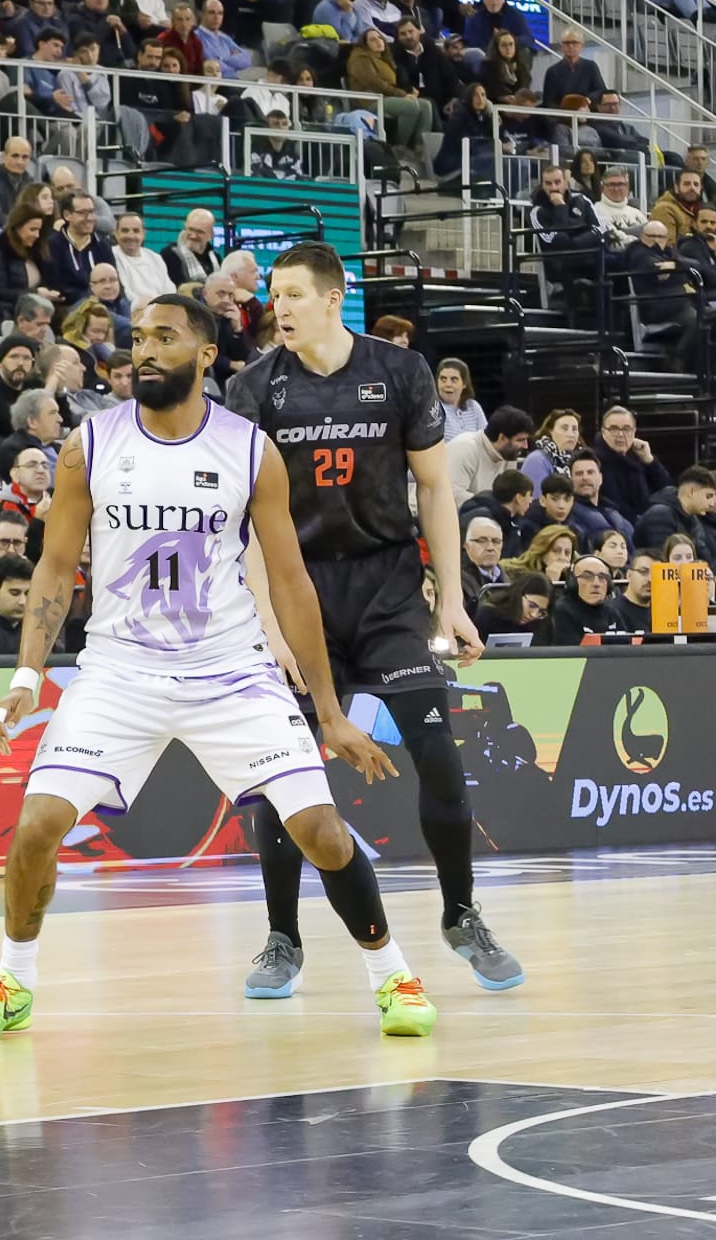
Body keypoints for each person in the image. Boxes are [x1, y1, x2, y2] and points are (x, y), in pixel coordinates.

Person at [0, 292, 434, 1041]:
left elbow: (290, 581)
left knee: (322, 832)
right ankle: (13, 979)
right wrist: (25, 676)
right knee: (37, 825)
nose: (143, 350)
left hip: (230, 670)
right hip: (118, 672)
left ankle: (392, 973)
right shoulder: (89, 444)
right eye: (138, 337)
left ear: (206, 356)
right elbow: (52, 570)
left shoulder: (249, 449)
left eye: (164, 338)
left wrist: (331, 713)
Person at [225, 242, 520, 997]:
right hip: (299, 592)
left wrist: (449, 599)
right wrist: (265, 619)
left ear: (333, 297)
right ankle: (281, 939)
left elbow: (434, 491)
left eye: (293, 294)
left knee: (439, 757)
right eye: (274, 296)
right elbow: (248, 521)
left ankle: (462, 915)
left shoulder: (399, 372)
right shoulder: (254, 386)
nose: (279, 307)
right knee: (283, 778)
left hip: (389, 590)